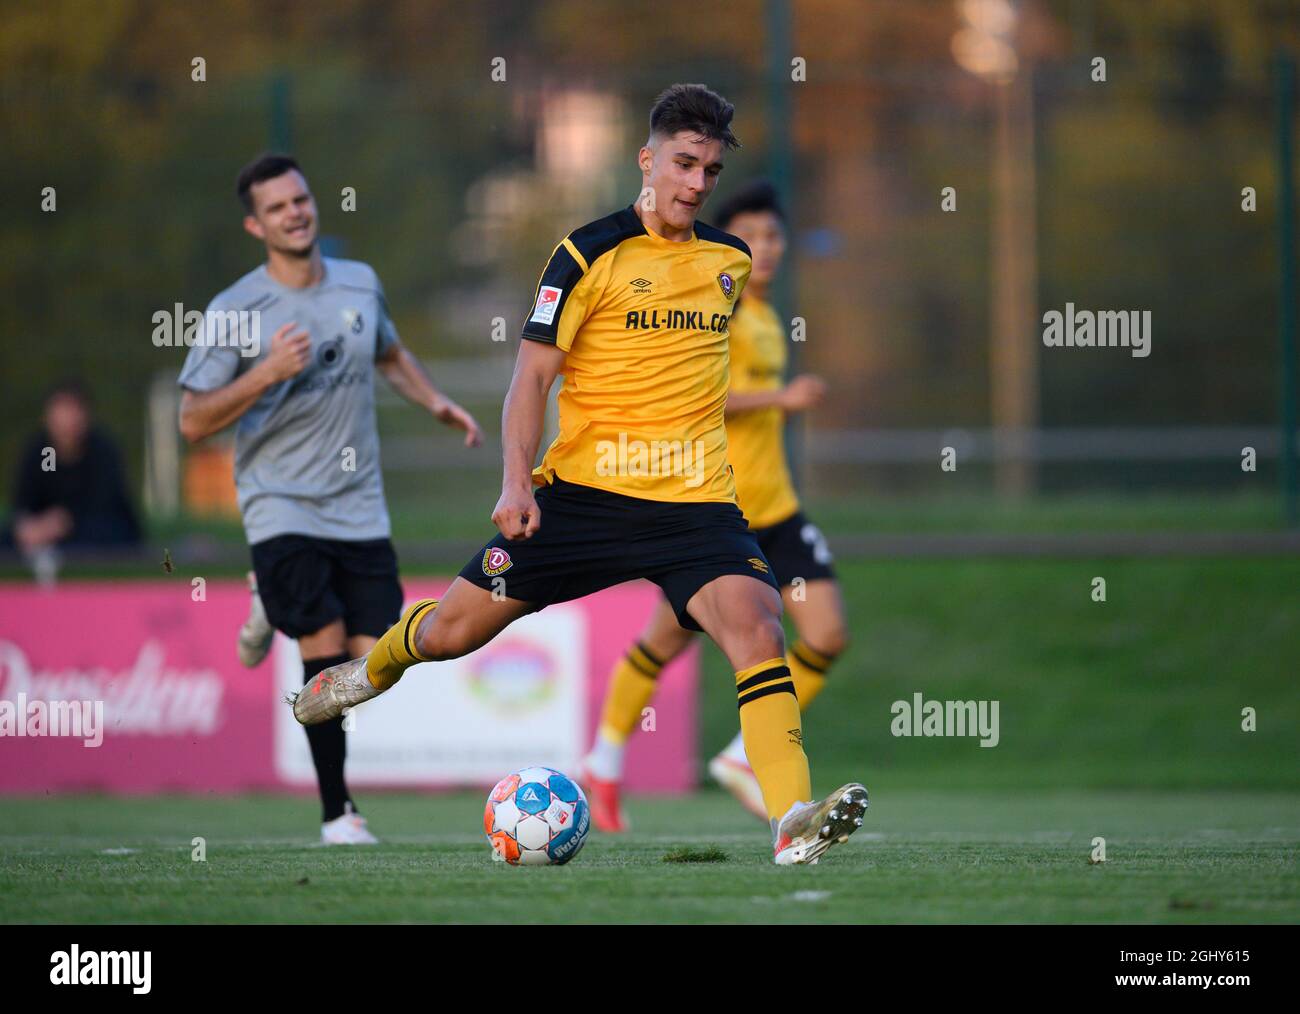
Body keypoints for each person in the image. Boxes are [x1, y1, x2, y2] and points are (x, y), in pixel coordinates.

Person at [289, 85, 867, 865]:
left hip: (695, 507)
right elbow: (530, 380)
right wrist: (516, 482)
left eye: (711, 171)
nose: (696, 184)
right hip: (583, 500)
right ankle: (376, 665)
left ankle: (790, 821)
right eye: (684, 163)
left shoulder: (728, 263)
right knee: (454, 632)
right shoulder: (585, 252)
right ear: (647, 157)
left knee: (759, 627)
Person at [177, 154, 483, 845]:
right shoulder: (236, 309)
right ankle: (337, 812)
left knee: (372, 660)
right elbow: (193, 420)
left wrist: (436, 401)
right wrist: (265, 374)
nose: (296, 213)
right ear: (257, 224)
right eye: (278, 207)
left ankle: (267, 599)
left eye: (302, 199)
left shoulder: (359, 282)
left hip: (360, 508)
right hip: (282, 504)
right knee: (320, 646)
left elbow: (388, 354)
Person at [581, 180, 849, 832]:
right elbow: (700, 396)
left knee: (827, 632)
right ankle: (604, 759)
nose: (765, 248)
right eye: (752, 236)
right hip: (712, 512)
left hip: (776, 510)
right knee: (663, 642)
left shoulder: (765, 316)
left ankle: (738, 758)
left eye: (775, 236)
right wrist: (780, 401)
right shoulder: (714, 303)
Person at [9, 380, 142, 581]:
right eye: (61, 410)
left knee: (105, 537)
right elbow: (23, 505)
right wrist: (30, 527)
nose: (68, 420)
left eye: (73, 410)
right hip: (44, 538)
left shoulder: (103, 451)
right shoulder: (38, 451)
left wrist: (63, 524)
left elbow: (106, 508)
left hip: (94, 535)